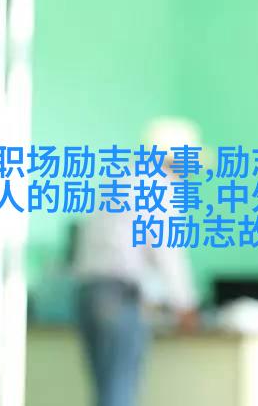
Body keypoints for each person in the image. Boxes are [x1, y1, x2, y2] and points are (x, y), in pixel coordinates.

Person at [73, 117, 201, 406]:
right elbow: (168, 251)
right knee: (119, 393)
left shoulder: (120, 180)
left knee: (105, 392)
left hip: (89, 294)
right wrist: (185, 305)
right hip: (119, 298)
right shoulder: (157, 186)